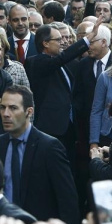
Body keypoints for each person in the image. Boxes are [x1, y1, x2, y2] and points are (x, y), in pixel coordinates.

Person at [25, 16, 103, 172]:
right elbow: (64, 57)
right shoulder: (36, 62)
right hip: (50, 128)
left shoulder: (62, 64)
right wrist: (88, 39)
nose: (62, 42)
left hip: (68, 128)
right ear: (45, 43)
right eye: (57, 39)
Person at [0, 85, 79, 224]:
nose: (5, 113)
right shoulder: (1, 145)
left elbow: (67, 201)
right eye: (2, 107)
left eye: (13, 108)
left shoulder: (49, 147)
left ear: (29, 111)